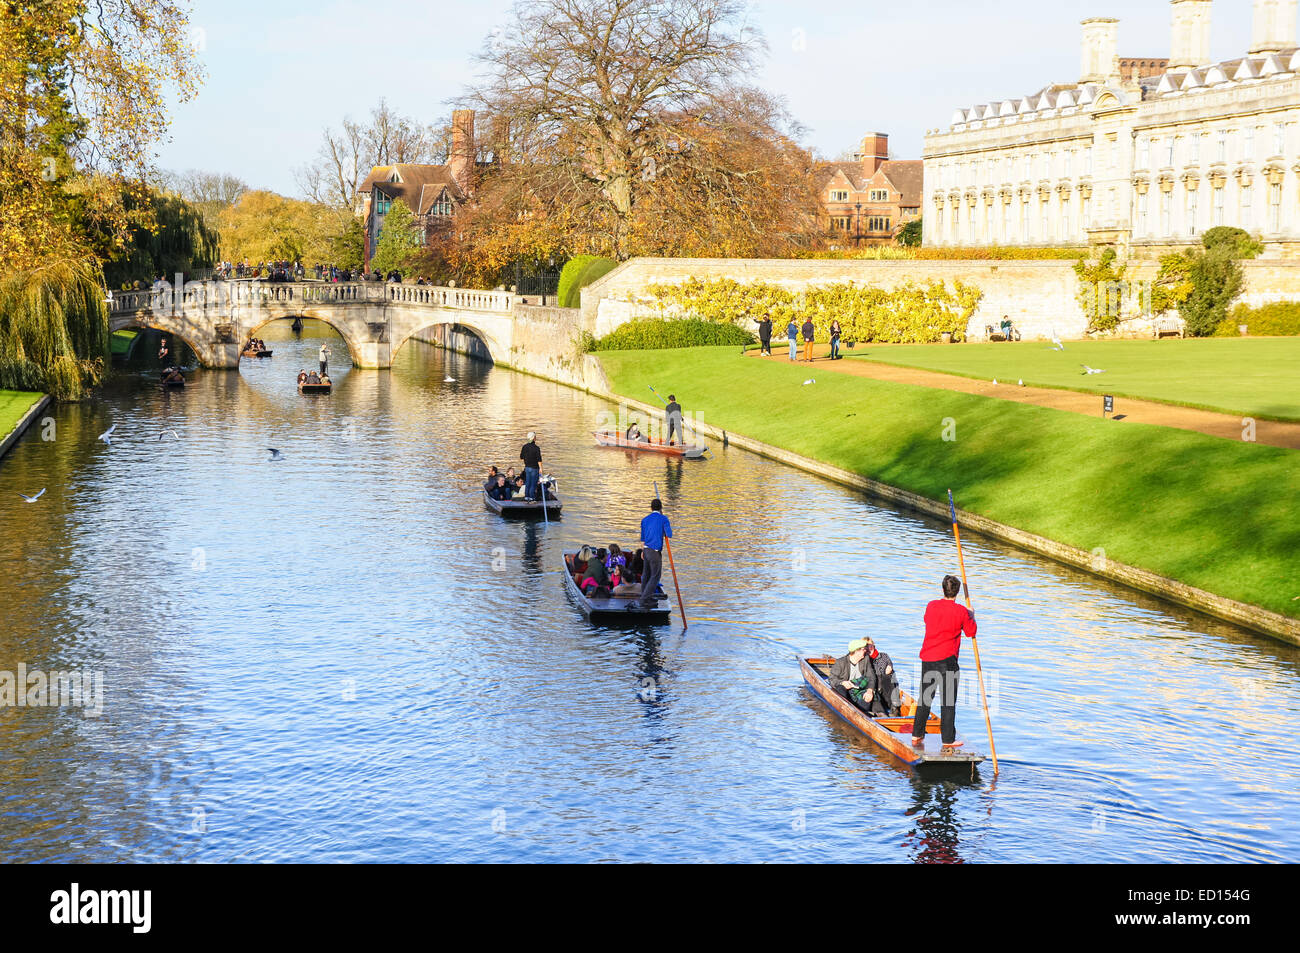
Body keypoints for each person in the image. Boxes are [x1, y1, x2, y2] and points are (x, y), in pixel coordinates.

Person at [911, 574, 977, 750]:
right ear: (957, 592)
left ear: (943, 589)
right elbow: (971, 632)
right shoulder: (962, 611)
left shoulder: (931, 606)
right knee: (948, 702)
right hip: (948, 660)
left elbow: (927, 621)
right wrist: (972, 616)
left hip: (929, 658)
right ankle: (947, 739)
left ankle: (917, 734)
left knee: (925, 698)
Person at [633, 498, 671, 610]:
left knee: (646, 575)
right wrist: (664, 525)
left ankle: (647, 598)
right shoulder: (664, 519)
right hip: (655, 551)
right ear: (661, 508)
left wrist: (643, 551)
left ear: (651, 508)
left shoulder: (645, 519)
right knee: (655, 576)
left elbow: (643, 538)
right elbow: (669, 534)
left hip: (646, 550)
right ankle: (643, 599)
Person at [829, 639, 877, 715]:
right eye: (863, 649)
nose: (865, 650)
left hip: (858, 689)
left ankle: (862, 713)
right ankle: (846, 709)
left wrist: (870, 691)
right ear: (857, 651)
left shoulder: (866, 659)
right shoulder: (840, 662)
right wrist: (843, 682)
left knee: (867, 697)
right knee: (840, 688)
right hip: (845, 690)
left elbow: (871, 677)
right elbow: (832, 679)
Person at [520, 432, 542, 502]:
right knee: (533, 483)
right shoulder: (536, 448)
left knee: (527, 482)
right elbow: (539, 459)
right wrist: (541, 468)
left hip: (527, 468)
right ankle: (531, 497)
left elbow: (521, 457)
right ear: (533, 438)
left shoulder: (524, 447)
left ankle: (527, 496)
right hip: (534, 468)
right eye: (535, 437)